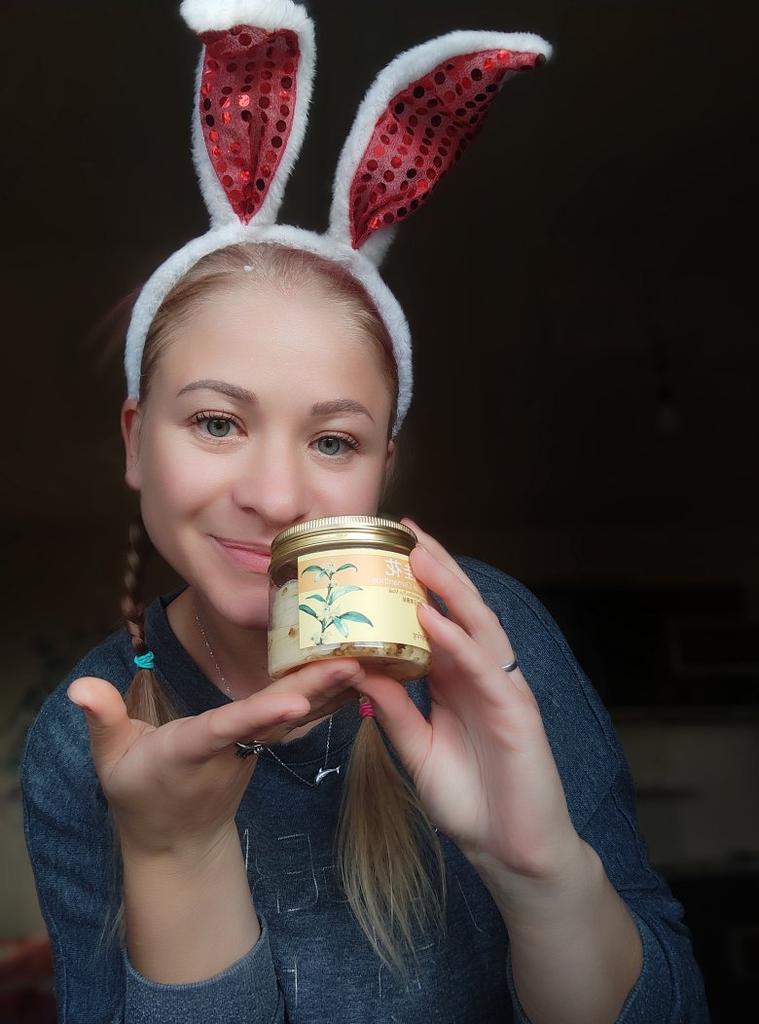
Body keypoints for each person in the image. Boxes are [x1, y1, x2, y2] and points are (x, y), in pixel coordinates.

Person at [21, 2, 710, 1022]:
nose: (276, 496)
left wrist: (541, 876)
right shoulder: (85, 739)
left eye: (333, 441)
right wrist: (176, 858)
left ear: (383, 467)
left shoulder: (485, 637)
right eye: (216, 422)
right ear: (134, 440)